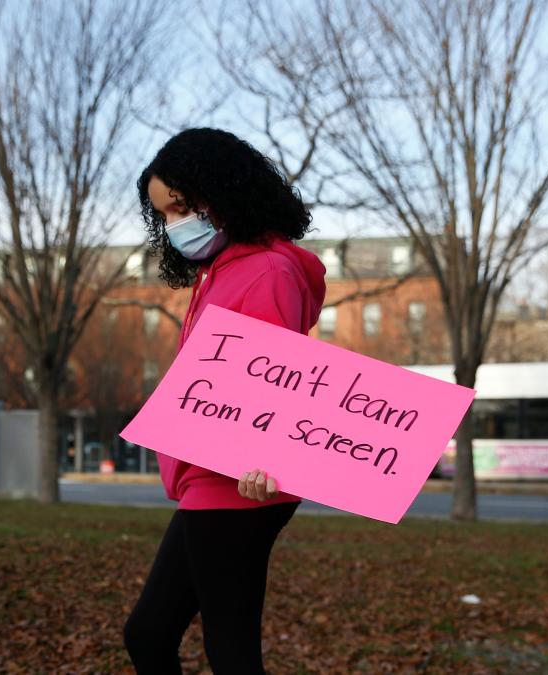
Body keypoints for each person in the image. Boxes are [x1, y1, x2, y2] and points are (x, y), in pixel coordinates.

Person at [123, 128, 326, 674]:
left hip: (236, 484)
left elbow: (279, 375)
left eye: (182, 207)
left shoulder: (265, 269)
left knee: (228, 649)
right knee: (149, 633)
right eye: (164, 215)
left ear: (223, 189)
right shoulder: (221, 272)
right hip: (208, 479)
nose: (174, 226)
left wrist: (270, 458)